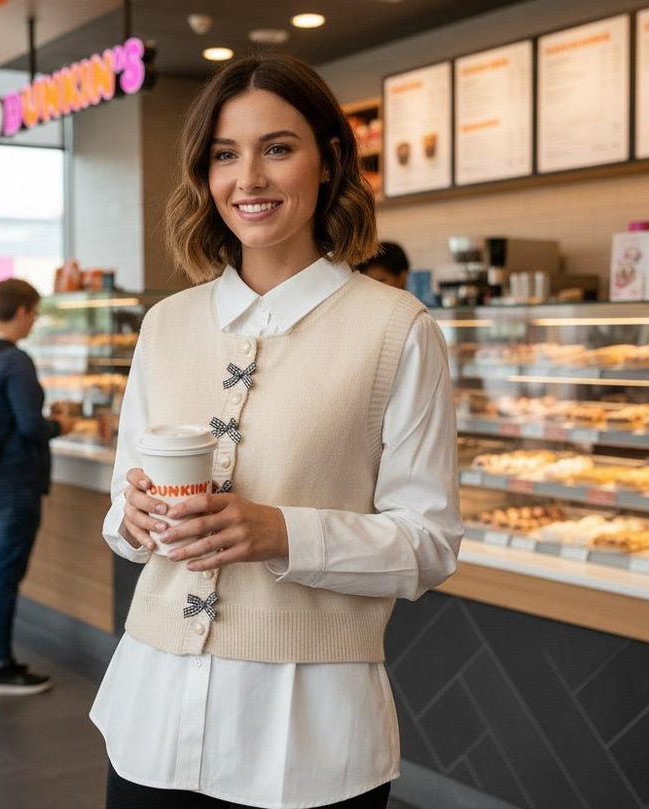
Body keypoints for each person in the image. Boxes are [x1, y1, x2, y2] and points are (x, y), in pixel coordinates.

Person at [90, 54, 462, 809]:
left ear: (328, 159)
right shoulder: (165, 325)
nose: (248, 178)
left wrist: (279, 532)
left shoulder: (397, 329)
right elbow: (123, 518)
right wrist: (129, 517)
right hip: (150, 720)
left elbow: (429, 543)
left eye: (277, 148)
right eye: (225, 154)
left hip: (306, 739)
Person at [0, 278, 74, 697]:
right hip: (12, 480)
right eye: (36, 313)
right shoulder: (15, 361)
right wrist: (60, 425)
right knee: (4, 575)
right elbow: (30, 425)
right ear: (24, 311)